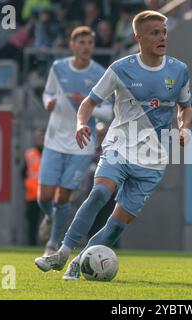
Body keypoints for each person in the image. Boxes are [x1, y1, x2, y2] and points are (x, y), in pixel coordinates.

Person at [34, 10, 192, 280]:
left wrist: (183, 127)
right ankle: (62, 252)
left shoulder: (179, 70)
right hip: (119, 146)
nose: (162, 37)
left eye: (164, 32)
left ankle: (80, 261)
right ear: (138, 37)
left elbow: (185, 107)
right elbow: (88, 104)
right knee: (98, 194)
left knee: (117, 225)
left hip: (153, 159)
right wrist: (80, 123)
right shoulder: (120, 68)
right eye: (155, 32)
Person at [36, 26, 113, 256]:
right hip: (54, 139)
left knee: (64, 197)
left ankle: (53, 244)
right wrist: (48, 102)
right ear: (72, 45)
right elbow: (47, 92)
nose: (86, 47)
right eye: (82, 42)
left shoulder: (100, 72)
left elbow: (108, 111)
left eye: (90, 43)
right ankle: (49, 217)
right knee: (45, 197)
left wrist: (88, 104)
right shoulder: (58, 68)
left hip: (82, 144)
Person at [22, 129, 45, 246]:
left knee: (48, 222)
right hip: (33, 194)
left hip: (48, 194)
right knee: (32, 222)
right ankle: (31, 244)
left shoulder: (50, 154)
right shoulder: (30, 154)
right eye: (39, 138)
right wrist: (27, 185)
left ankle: (48, 245)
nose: (40, 140)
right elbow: (23, 172)